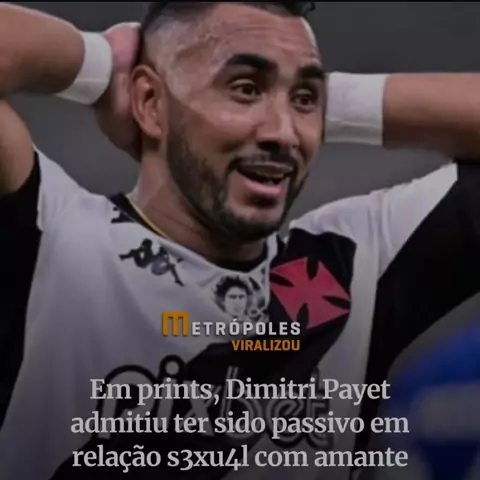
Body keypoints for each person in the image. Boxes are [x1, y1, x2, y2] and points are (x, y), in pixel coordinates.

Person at [1, 2, 480, 479]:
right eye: (245, 89)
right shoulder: (58, 236)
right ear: (149, 102)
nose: (284, 134)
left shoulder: (353, 267)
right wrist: (103, 66)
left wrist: (317, 100)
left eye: (304, 100)